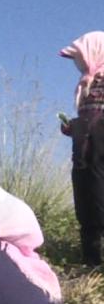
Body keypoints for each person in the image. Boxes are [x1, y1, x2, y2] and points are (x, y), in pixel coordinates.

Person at [59, 31, 104, 267]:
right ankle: (91, 261)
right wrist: (73, 127)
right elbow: (89, 118)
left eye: (79, 58)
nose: (77, 64)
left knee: (98, 197)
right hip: (86, 152)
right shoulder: (87, 82)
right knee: (86, 201)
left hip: (98, 152)